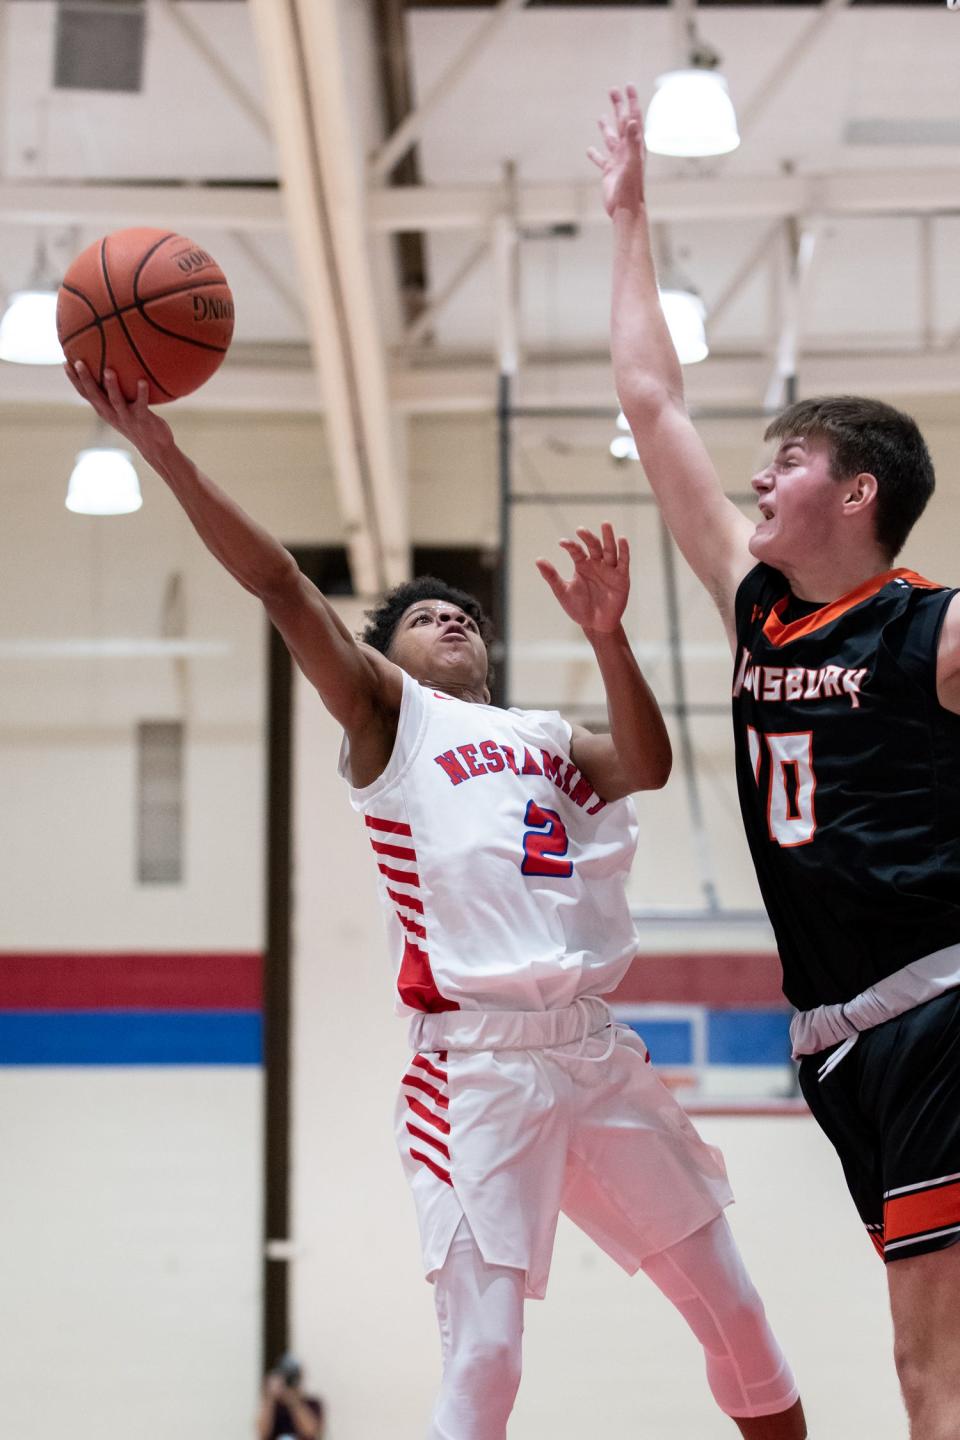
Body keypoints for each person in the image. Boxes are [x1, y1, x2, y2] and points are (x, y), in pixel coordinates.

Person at [65, 358, 805, 1439]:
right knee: (490, 1355)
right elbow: (278, 583)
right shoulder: (391, 721)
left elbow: (643, 762)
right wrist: (166, 452)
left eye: (464, 613)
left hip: (594, 1053)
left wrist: (607, 637)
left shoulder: (546, 740)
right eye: (424, 618)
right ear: (385, 658)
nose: (451, 619)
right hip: (477, 1069)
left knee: (737, 1312)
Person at [597, 81, 960, 1440]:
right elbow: (650, 395)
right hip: (834, 1046)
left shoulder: (932, 627)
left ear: (858, 493)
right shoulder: (759, 604)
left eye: (789, 458)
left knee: (931, 1371)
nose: (759, 479)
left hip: (936, 1014)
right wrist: (629, 218)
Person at [257, 1354, 324, 1440]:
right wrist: (270, 1397)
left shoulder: (312, 1403)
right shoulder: (274, 1406)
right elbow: (262, 1432)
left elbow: (310, 1431)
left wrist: (293, 1401)